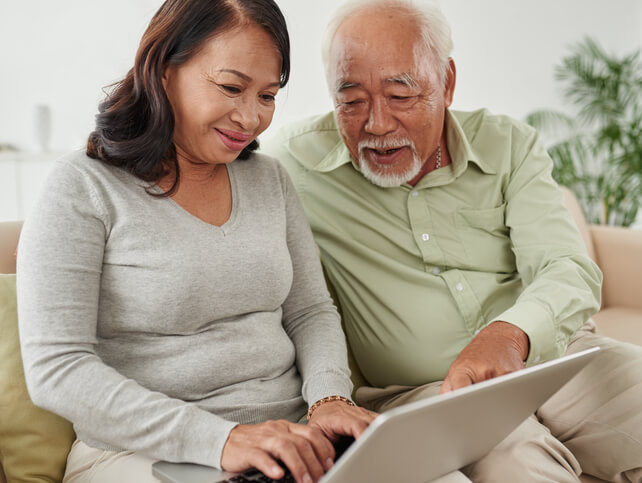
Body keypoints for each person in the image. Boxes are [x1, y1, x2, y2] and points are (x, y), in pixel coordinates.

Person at [262, 0, 642, 481]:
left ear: (447, 83)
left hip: (552, 360)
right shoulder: (289, 167)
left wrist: (508, 336)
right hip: (426, 394)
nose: (376, 124)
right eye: (351, 100)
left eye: (400, 95)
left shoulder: (509, 146)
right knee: (523, 470)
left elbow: (568, 268)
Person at [16, 1, 375, 482]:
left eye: (267, 96)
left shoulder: (269, 179)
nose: (250, 118)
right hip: (140, 454)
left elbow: (309, 309)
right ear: (164, 72)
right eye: (231, 87)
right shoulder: (82, 187)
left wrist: (330, 398)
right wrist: (221, 440)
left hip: (291, 436)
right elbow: (57, 369)